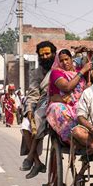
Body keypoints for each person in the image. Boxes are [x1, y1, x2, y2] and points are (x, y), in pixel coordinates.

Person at [20, 41, 57, 178]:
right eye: (42, 55)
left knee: (37, 119)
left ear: (53, 54)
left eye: (48, 53)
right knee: (25, 126)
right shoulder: (36, 73)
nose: (45, 57)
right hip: (42, 102)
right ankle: (36, 162)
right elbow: (33, 93)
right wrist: (28, 109)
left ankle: (30, 158)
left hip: (57, 101)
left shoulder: (61, 67)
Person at [45, 49, 92, 147]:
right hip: (63, 104)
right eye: (61, 61)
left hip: (80, 103)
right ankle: (70, 137)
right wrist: (83, 71)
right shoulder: (56, 73)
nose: (64, 63)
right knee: (57, 108)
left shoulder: (79, 70)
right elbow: (66, 87)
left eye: (66, 59)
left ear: (71, 59)